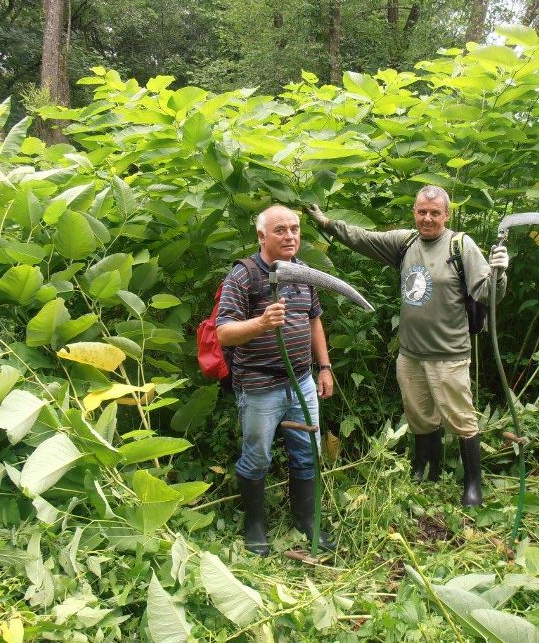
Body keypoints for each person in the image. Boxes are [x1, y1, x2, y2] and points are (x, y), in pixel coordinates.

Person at [306, 186, 508, 507]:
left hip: (449, 355)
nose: (427, 219)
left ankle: (473, 485)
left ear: (446, 215)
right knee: (419, 417)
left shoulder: (460, 246)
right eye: (422, 212)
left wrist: (498, 272)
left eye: (435, 213)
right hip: (410, 354)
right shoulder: (406, 242)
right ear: (414, 212)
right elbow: (364, 238)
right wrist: (327, 223)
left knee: (460, 418)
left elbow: (487, 295)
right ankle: (427, 470)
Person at [217, 205, 336, 556]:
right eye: (280, 230)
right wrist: (260, 324)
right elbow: (223, 333)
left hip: (301, 382)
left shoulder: (303, 273)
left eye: (295, 229)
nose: (290, 236)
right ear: (261, 236)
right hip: (259, 387)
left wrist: (324, 367)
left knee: (307, 453)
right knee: (256, 458)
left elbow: (314, 321)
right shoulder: (243, 276)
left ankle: (307, 520)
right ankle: (255, 527)